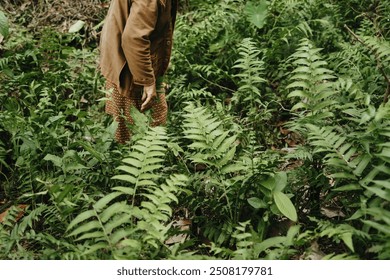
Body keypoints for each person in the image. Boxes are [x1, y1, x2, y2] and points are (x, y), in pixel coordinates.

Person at [99, 0, 177, 143]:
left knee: (147, 126)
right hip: (128, 64)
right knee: (136, 131)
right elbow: (134, 39)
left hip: (133, 60)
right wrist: (147, 81)